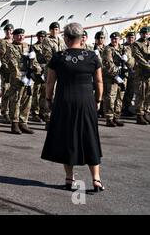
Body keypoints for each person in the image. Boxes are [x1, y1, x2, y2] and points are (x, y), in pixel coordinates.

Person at [41, 23, 105, 193]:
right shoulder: (92, 56)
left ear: (67, 38)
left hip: (65, 101)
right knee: (90, 136)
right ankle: (96, 179)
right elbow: (99, 81)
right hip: (86, 101)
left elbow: (50, 82)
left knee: (67, 138)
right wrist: (98, 100)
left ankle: (69, 178)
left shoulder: (58, 57)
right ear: (81, 37)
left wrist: (48, 98)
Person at [6, 28, 42, 134]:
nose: (21, 37)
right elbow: (12, 63)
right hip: (17, 78)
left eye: (22, 35)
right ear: (14, 36)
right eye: (18, 35)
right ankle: (15, 123)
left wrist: (38, 70)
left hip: (28, 77)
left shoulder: (28, 46)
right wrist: (21, 76)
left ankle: (23, 122)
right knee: (16, 100)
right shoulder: (10, 47)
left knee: (27, 100)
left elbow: (34, 61)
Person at [102, 32, 133, 127]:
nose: (114, 41)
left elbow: (131, 63)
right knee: (110, 97)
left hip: (123, 77)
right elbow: (108, 64)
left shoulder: (125, 49)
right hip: (112, 77)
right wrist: (116, 75)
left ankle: (116, 117)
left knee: (120, 97)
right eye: (112, 39)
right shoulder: (108, 49)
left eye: (116, 39)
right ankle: (109, 118)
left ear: (120, 39)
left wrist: (127, 59)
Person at [41, 22, 66, 124]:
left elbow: (65, 53)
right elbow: (48, 56)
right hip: (51, 70)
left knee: (60, 93)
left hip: (61, 70)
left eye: (56, 29)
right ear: (50, 30)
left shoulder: (62, 41)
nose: (54, 31)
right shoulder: (47, 40)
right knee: (50, 92)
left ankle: (57, 116)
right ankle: (48, 118)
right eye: (52, 29)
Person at [131, 27, 150, 125]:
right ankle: (139, 115)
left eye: (146, 33)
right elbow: (138, 57)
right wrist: (148, 66)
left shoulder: (149, 43)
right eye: (143, 33)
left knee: (148, 94)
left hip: (148, 74)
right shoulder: (136, 44)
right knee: (141, 93)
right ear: (140, 34)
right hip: (141, 73)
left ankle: (146, 113)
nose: (145, 35)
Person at [0, 23, 14, 123]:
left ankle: (12, 112)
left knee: (13, 91)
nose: (9, 32)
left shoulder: (15, 42)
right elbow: (2, 57)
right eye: (7, 30)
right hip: (6, 71)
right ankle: (5, 112)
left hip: (15, 71)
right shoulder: (3, 43)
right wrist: (9, 67)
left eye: (10, 30)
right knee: (6, 91)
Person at [31, 30, 48, 123]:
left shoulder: (47, 47)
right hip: (37, 73)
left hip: (46, 73)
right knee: (36, 93)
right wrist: (39, 69)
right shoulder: (33, 47)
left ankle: (42, 112)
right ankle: (35, 113)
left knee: (44, 93)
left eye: (43, 36)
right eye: (39, 36)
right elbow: (32, 60)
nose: (41, 38)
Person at [122, 32, 136, 116]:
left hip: (133, 72)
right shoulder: (123, 46)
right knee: (123, 91)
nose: (131, 39)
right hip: (125, 72)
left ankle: (126, 108)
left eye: (132, 37)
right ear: (126, 38)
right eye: (129, 37)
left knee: (131, 91)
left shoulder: (136, 46)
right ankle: (120, 109)